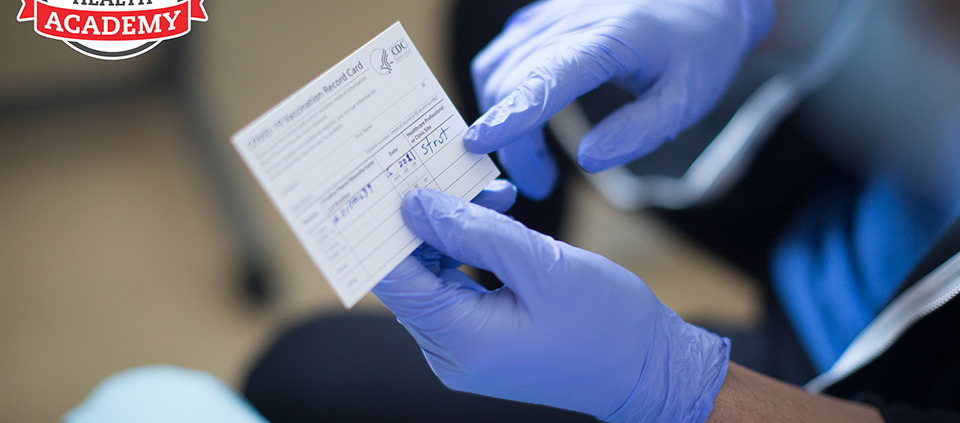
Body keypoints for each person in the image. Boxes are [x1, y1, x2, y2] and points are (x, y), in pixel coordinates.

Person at [64, 0, 960, 421]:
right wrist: (755, 12)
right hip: (857, 231)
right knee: (504, 11)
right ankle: (511, 275)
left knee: (297, 371)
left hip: (866, 387)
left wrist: (680, 384)